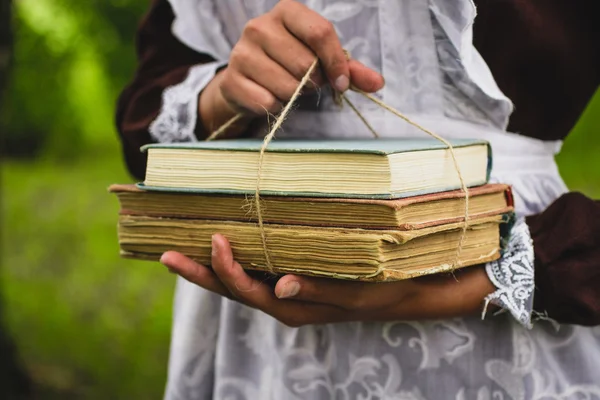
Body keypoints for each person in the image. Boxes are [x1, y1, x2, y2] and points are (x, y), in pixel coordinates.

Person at [116, 0, 600, 398]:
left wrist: (482, 273)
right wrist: (227, 92)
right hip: (258, 331)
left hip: (501, 328)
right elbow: (147, 127)